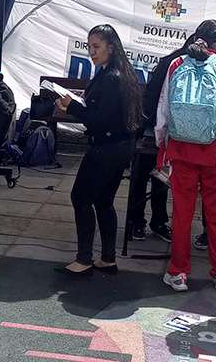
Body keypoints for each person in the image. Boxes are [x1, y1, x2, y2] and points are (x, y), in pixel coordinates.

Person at [156, 22, 216, 293]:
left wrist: (163, 144)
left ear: (196, 38)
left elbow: (164, 110)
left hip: (182, 150)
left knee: (182, 214)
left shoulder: (176, 64)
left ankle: (179, 273)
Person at [55, 24, 142, 278]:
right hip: (117, 146)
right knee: (103, 201)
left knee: (81, 198)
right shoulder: (113, 73)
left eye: (96, 46)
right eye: (89, 46)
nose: (91, 52)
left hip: (108, 147)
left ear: (110, 48)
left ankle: (84, 259)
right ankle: (107, 259)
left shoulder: (113, 77)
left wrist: (72, 106)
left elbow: (100, 120)